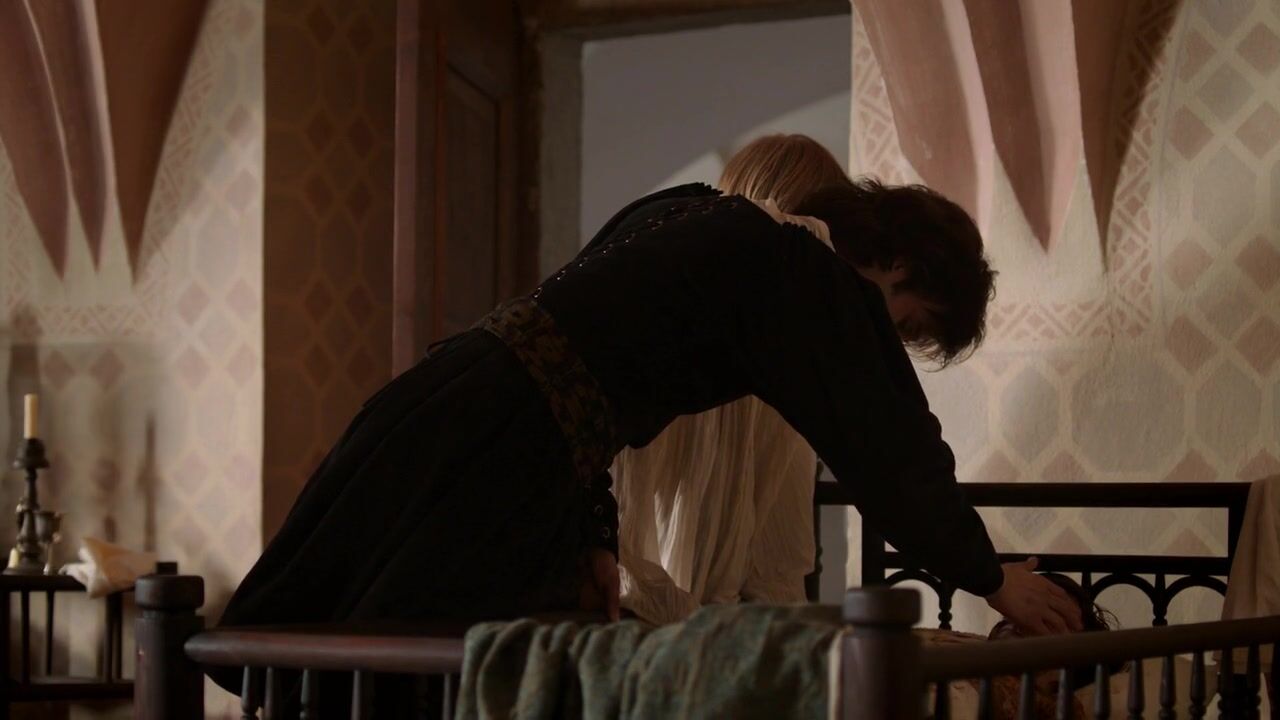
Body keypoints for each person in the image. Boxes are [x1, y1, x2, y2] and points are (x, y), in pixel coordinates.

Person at [216, 170, 1084, 669]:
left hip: (446, 403)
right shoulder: (800, 272)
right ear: (895, 265)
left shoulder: (695, 209)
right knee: (423, 659)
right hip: (498, 446)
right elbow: (890, 444)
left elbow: (580, 379)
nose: (888, 343)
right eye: (907, 324)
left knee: (373, 646)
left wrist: (593, 537)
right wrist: (988, 577)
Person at [615, 134, 851, 624]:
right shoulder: (772, 344)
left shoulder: (675, 302)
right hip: (684, 613)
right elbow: (777, 560)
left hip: (644, 608)